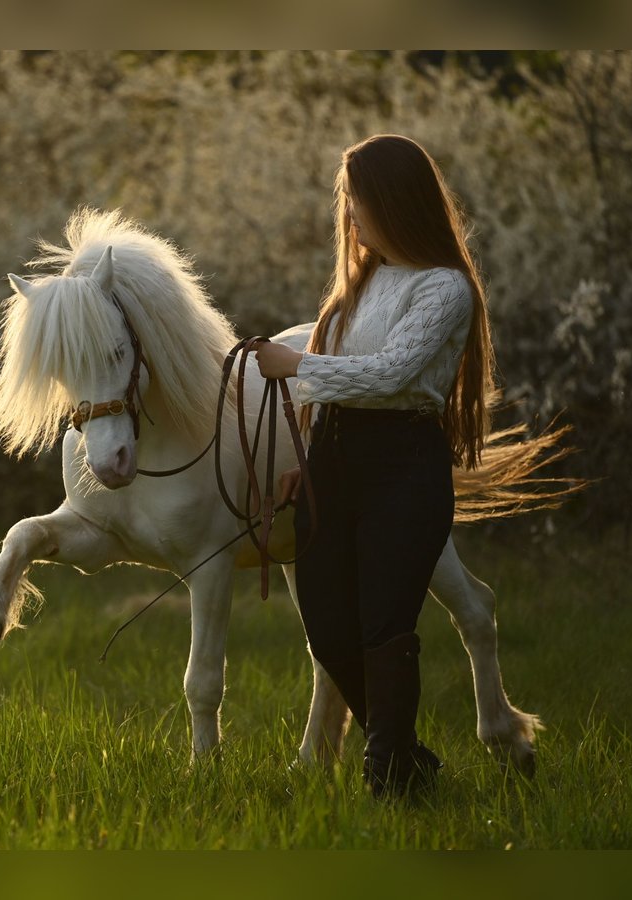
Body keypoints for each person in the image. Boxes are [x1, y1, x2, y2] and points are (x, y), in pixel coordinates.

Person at [255, 134, 496, 799]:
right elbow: (345, 385)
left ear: (393, 201)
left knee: (384, 625)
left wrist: (295, 364)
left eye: (356, 200)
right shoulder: (362, 283)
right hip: (334, 460)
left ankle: (388, 776)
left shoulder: (446, 288)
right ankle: (408, 758)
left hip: (402, 465)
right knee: (330, 632)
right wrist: (309, 460)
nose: (349, 214)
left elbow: (392, 375)